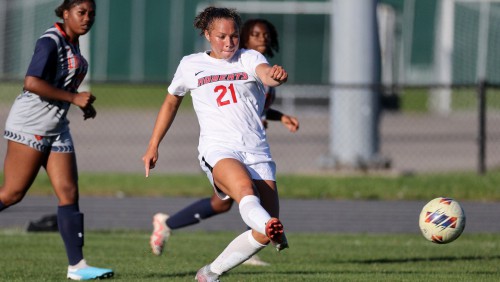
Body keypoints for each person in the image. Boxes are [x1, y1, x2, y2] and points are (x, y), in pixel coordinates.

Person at [142, 7, 290, 281]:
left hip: (256, 151)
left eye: (234, 36)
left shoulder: (248, 57)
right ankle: (268, 223)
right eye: (222, 36)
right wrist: (153, 144)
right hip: (219, 149)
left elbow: (265, 73)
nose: (229, 43)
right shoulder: (191, 64)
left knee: (264, 234)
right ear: (207, 34)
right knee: (246, 192)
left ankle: (210, 272)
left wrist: (275, 76)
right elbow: (172, 101)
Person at [0, 0, 113, 280]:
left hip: (56, 126)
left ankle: (78, 266)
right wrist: (74, 97)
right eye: (81, 12)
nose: (87, 18)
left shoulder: (73, 44)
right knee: (13, 193)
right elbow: (31, 82)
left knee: (68, 193)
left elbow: (61, 85)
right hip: (31, 124)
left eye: (91, 14)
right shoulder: (50, 41)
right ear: (65, 12)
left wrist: (82, 104)